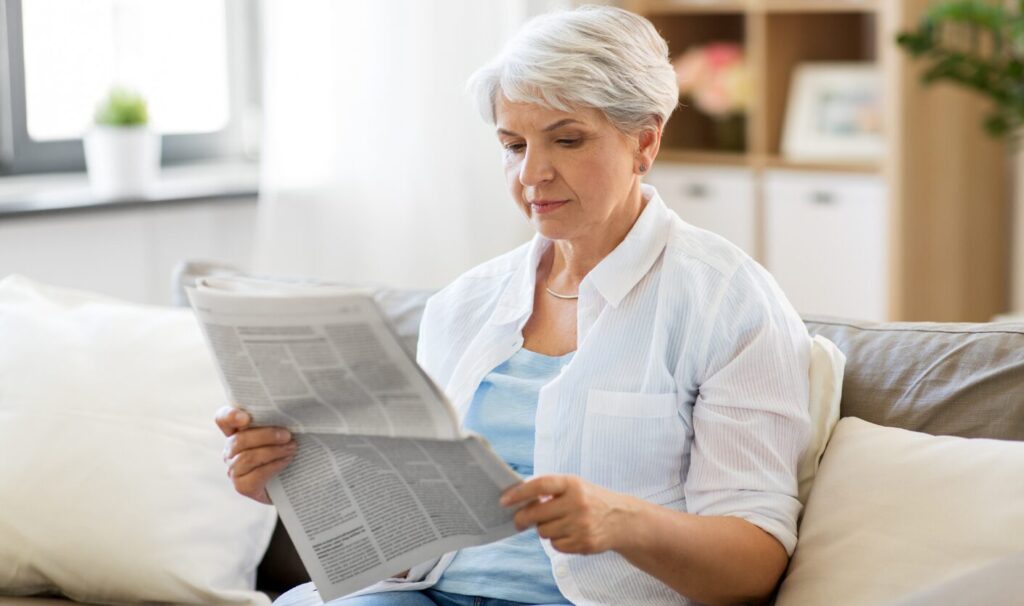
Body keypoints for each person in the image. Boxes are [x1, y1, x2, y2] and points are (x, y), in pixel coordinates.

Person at [216, 6, 811, 605]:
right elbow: (407, 545)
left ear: (645, 142)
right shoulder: (465, 304)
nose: (532, 174)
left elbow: (754, 566)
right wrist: (295, 484)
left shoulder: (726, 302)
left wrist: (622, 522)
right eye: (512, 144)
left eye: (568, 139)